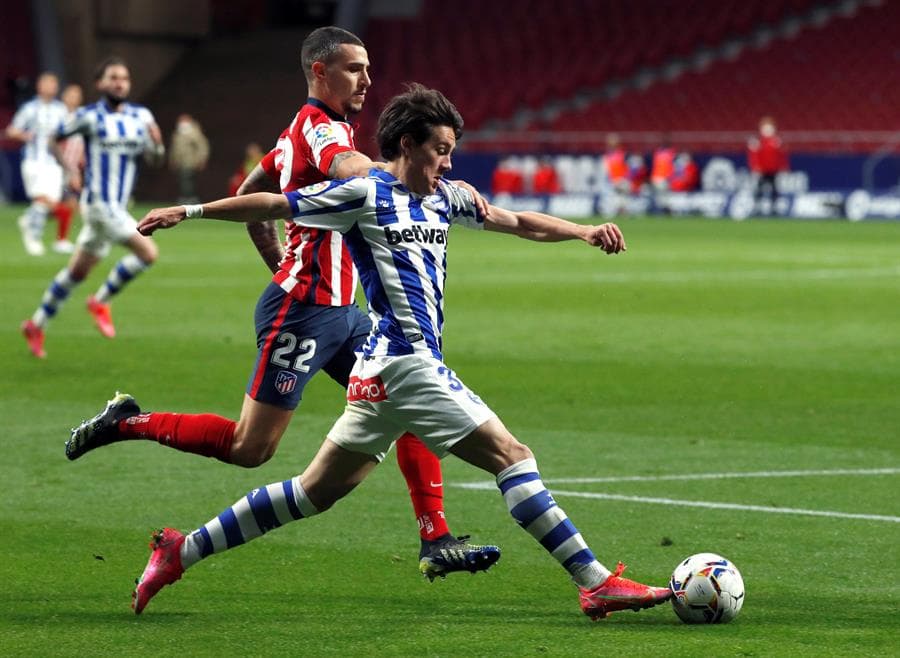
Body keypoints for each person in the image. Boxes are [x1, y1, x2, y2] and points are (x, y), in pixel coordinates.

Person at [105, 83, 670, 619]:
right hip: (406, 362)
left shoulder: (448, 198)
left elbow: (516, 220)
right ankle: (595, 583)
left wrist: (582, 231)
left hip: (377, 371)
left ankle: (182, 550)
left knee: (311, 493)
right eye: (440, 151)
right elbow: (275, 203)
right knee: (511, 455)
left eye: (451, 152)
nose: (448, 164)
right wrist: (192, 211)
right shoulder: (364, 193)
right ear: (407, 144)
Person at [65, 27, 499, 582]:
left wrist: (279, 254)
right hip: (302, 312)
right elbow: (347, 169)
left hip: (346, 311)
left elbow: (254, 188)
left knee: (411, 392)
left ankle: (435, 538)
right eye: (354, 69)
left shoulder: (311, 129)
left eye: (368, 69)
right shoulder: (320, 130)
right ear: (320, 71)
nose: (367, 79)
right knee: (251, 448)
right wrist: (415, 178)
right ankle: (127, 422)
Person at [19, 56, 165, 359]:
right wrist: (69, 171)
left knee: (76, 273)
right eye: (112, 77)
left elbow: (155, 159)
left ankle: (36, 324)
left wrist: (158, 145)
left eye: (124, 77)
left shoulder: (141, 116)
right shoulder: (89, 116)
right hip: (100, 205)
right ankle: (100, 301)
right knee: (148, 253)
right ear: (100, 84)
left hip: (116, 207)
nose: (119, 82)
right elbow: (53, 140)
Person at [4, 72, 69, 255]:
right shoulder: (29, 108)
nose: (52, 87)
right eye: (48, 83)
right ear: (40, 86)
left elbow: (66, 133)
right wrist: (25, 135)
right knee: (42, 199)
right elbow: (12, 130)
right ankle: (33, 237)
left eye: (54, 84)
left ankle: (27, 219)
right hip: (34, 161)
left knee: (52, 203)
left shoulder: (60, 109)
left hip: (53, 163)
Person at [53, 83, 86, 254]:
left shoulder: (82, 116)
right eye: (71, 94)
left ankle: (62, 240)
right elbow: (54, 141)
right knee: (65, 203)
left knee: (71, 202)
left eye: (77, 94)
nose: (74, 97)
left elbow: (81, 144)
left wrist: (80, 166)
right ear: (64, 97)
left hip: (72, 168)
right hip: (56, 167)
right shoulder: (59, 116)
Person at [747, 116, 788, 210]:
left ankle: (774, 207)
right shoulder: (758, 142)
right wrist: (755, 167)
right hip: (762, 170)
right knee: (759, 189)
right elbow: (754, 156)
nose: (768, 130)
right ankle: (756, 207)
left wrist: (783, 167)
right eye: (766, 128)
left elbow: (782, 156)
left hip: (773, 170)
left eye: (769, 128)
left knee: (774, 189)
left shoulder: (777, 142)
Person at [169, 113, 209, 202]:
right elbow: (174, 149)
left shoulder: (194, 132)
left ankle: (189, 198)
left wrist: (201, 159)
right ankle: (186, 197)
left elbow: (202, 146)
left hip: (190, 161)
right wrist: (172, 160)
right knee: (183, 181)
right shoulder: (178, 133)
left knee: (188, 181)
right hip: (180, 162)